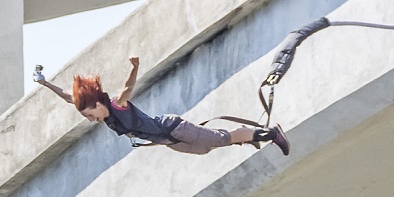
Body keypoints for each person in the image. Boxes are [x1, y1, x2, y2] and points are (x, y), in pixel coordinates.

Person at [35, 56, 289, 156]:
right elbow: (69, 97)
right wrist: (46, 84)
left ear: (99, 103)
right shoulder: (102, 113)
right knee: (204, 151)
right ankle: (246, 138)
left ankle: (270, 133)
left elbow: (127, 88)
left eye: (91, 114)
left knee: (219, 139)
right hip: (169, 140)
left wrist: (134, 68)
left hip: (173, 128)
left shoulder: (117, 106)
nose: (91, 120)